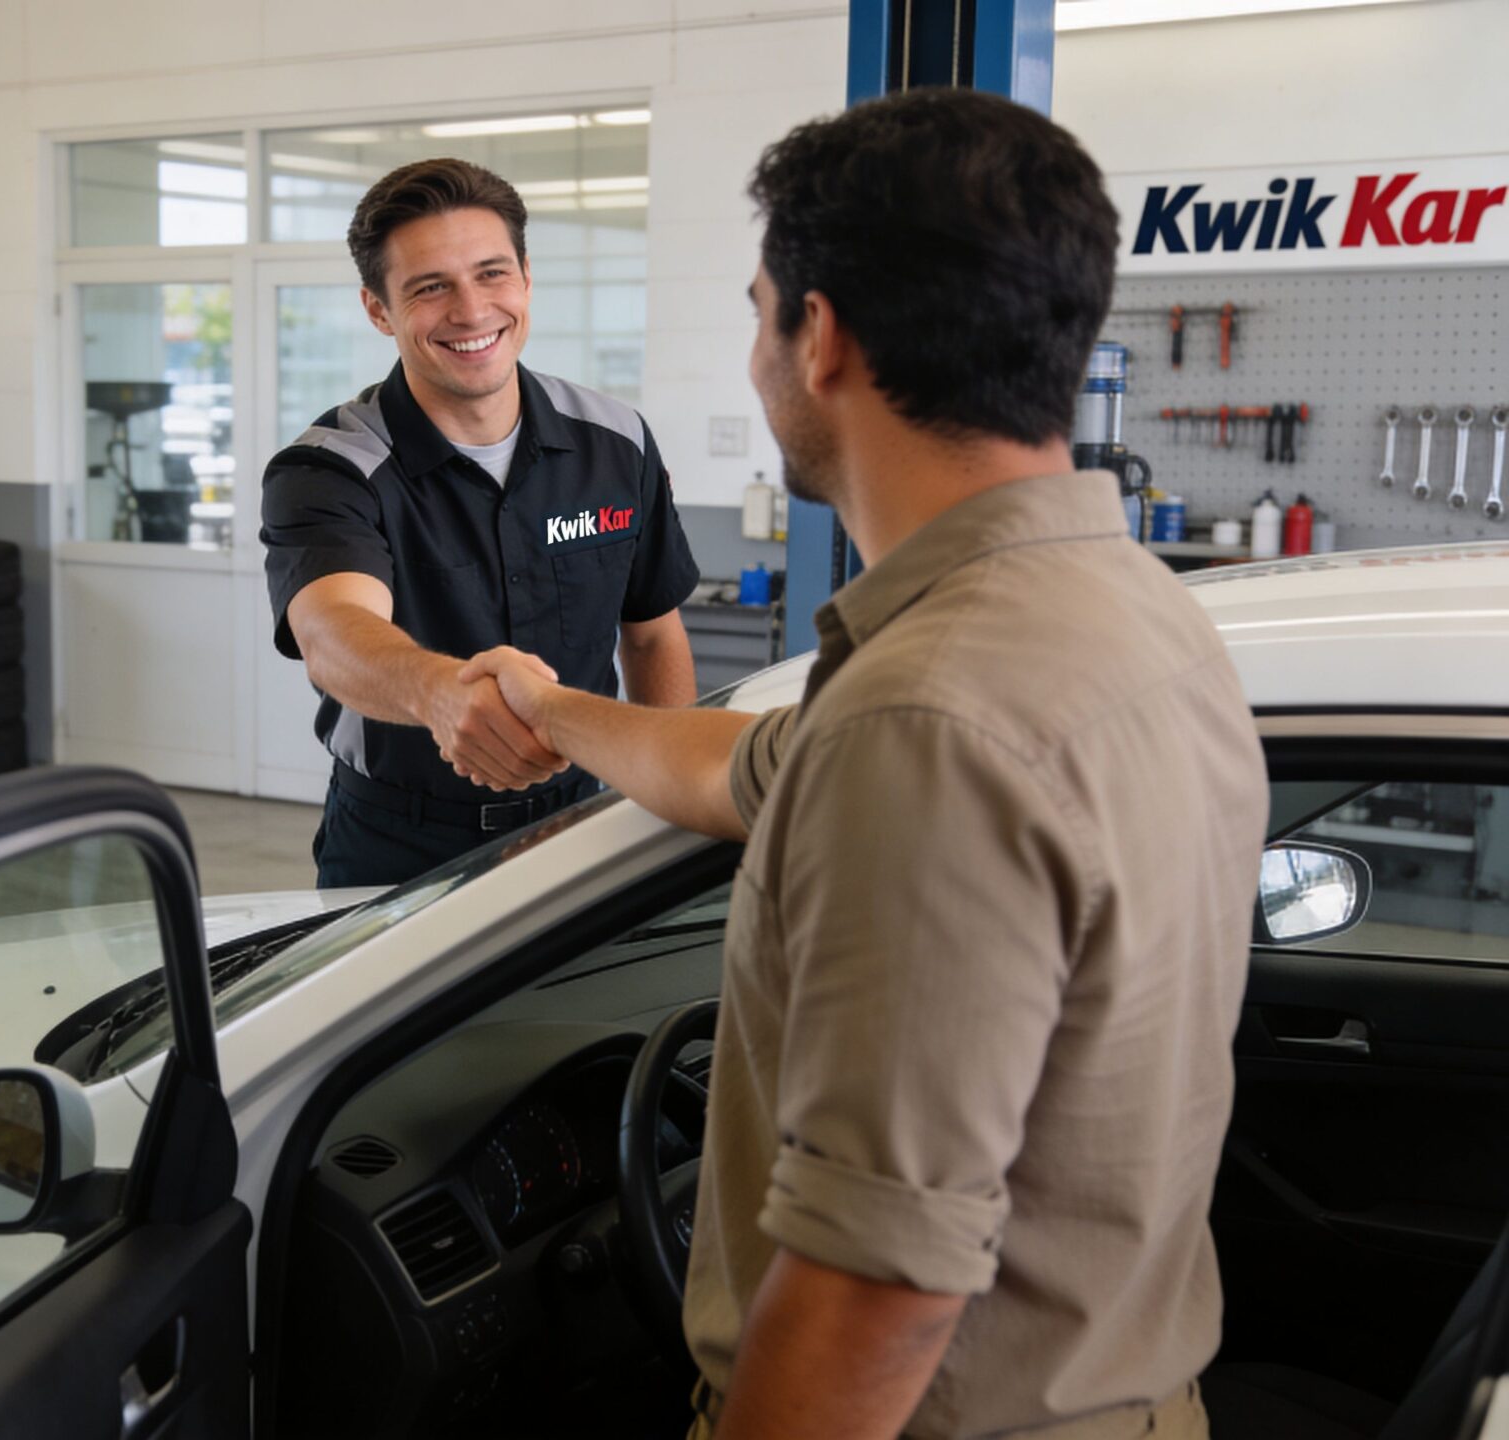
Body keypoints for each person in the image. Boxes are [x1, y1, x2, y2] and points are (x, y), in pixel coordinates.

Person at [463, 90, 1267, 1438]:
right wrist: (553, 712)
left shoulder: (932, 724)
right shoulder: (1130, 616)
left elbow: (872, 1295)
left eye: (758, 304)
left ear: (818, 336)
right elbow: (758, 767)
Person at [261, 157, 702, 889]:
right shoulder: (330, 467)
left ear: (526, 278)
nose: (471, 311)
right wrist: (439, 694)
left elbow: (654, 632)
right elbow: (332, 634)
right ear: (378, 309)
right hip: (395, 843)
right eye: (430, 287)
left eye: (492, 274)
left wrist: (671, 801)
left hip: (580, 822)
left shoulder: (617, 441)